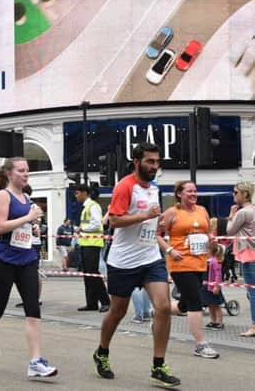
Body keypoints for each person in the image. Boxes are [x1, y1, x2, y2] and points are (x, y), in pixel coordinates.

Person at [93, 142, 180, 388]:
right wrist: (146, 216)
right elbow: (114, 222)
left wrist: (162, 221)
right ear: (137, 162)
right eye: (150, 161)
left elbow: (153, 221)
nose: (154, 166)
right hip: (123, 261)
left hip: (150, 257)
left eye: (157, 161)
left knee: (162, 307)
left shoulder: (153, 188)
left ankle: (159, 365)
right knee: (118, 311)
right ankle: (102, 352)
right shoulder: (125, 186)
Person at [0, 157, 57, 378]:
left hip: (27, 259)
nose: (26, 174)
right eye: (21, 170)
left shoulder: (27, 196)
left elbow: (23, 226)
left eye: (27, 170)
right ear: (10, 174)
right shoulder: (4, 195)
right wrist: (28, 217)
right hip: (3, 260)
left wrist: (33, 226)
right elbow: (0, 227)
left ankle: (35, 362)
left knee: (33, 308)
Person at [159, 180, 219, 359]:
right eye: (189, 191)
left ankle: (160, 311)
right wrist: (170, 250)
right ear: (179, 194)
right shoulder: (172, 213)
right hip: (180, 263)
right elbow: (157, 235)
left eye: (195, 191)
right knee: (195, 301)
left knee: (185, 304)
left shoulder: (202, 211)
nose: (193, 194)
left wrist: (211, 240)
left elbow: (207, 232)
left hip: (200, 262)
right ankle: (200, 344)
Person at [226, 181, 255, 337]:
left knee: (253, 293)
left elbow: (229, 231)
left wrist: (231, 215)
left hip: (247, 254)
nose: (233, 195)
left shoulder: (243, 212)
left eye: (236, 192)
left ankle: (254, 326)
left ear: (245, 194)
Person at [74, 184, 110, 312]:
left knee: (93, 273)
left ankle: (105, 301)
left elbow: (97, 224)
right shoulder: (86, 207)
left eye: (78, 193)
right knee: (87, 274)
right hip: (86, 243)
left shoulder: (93, 206)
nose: (76, 196)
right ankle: (91, 303)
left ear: (85, 193)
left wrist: (81, 228)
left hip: (93, 244)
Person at [203, 244, 225, 330]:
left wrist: (217, 286)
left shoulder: (215, 261)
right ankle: (213, 321)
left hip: (213, 287)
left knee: (216, 305)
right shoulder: (206, 260)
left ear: (211, 251)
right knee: (210, 304)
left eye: (206, 250)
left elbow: (218, 275)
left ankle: (220, 322)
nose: (205, 252)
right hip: (207, 287)